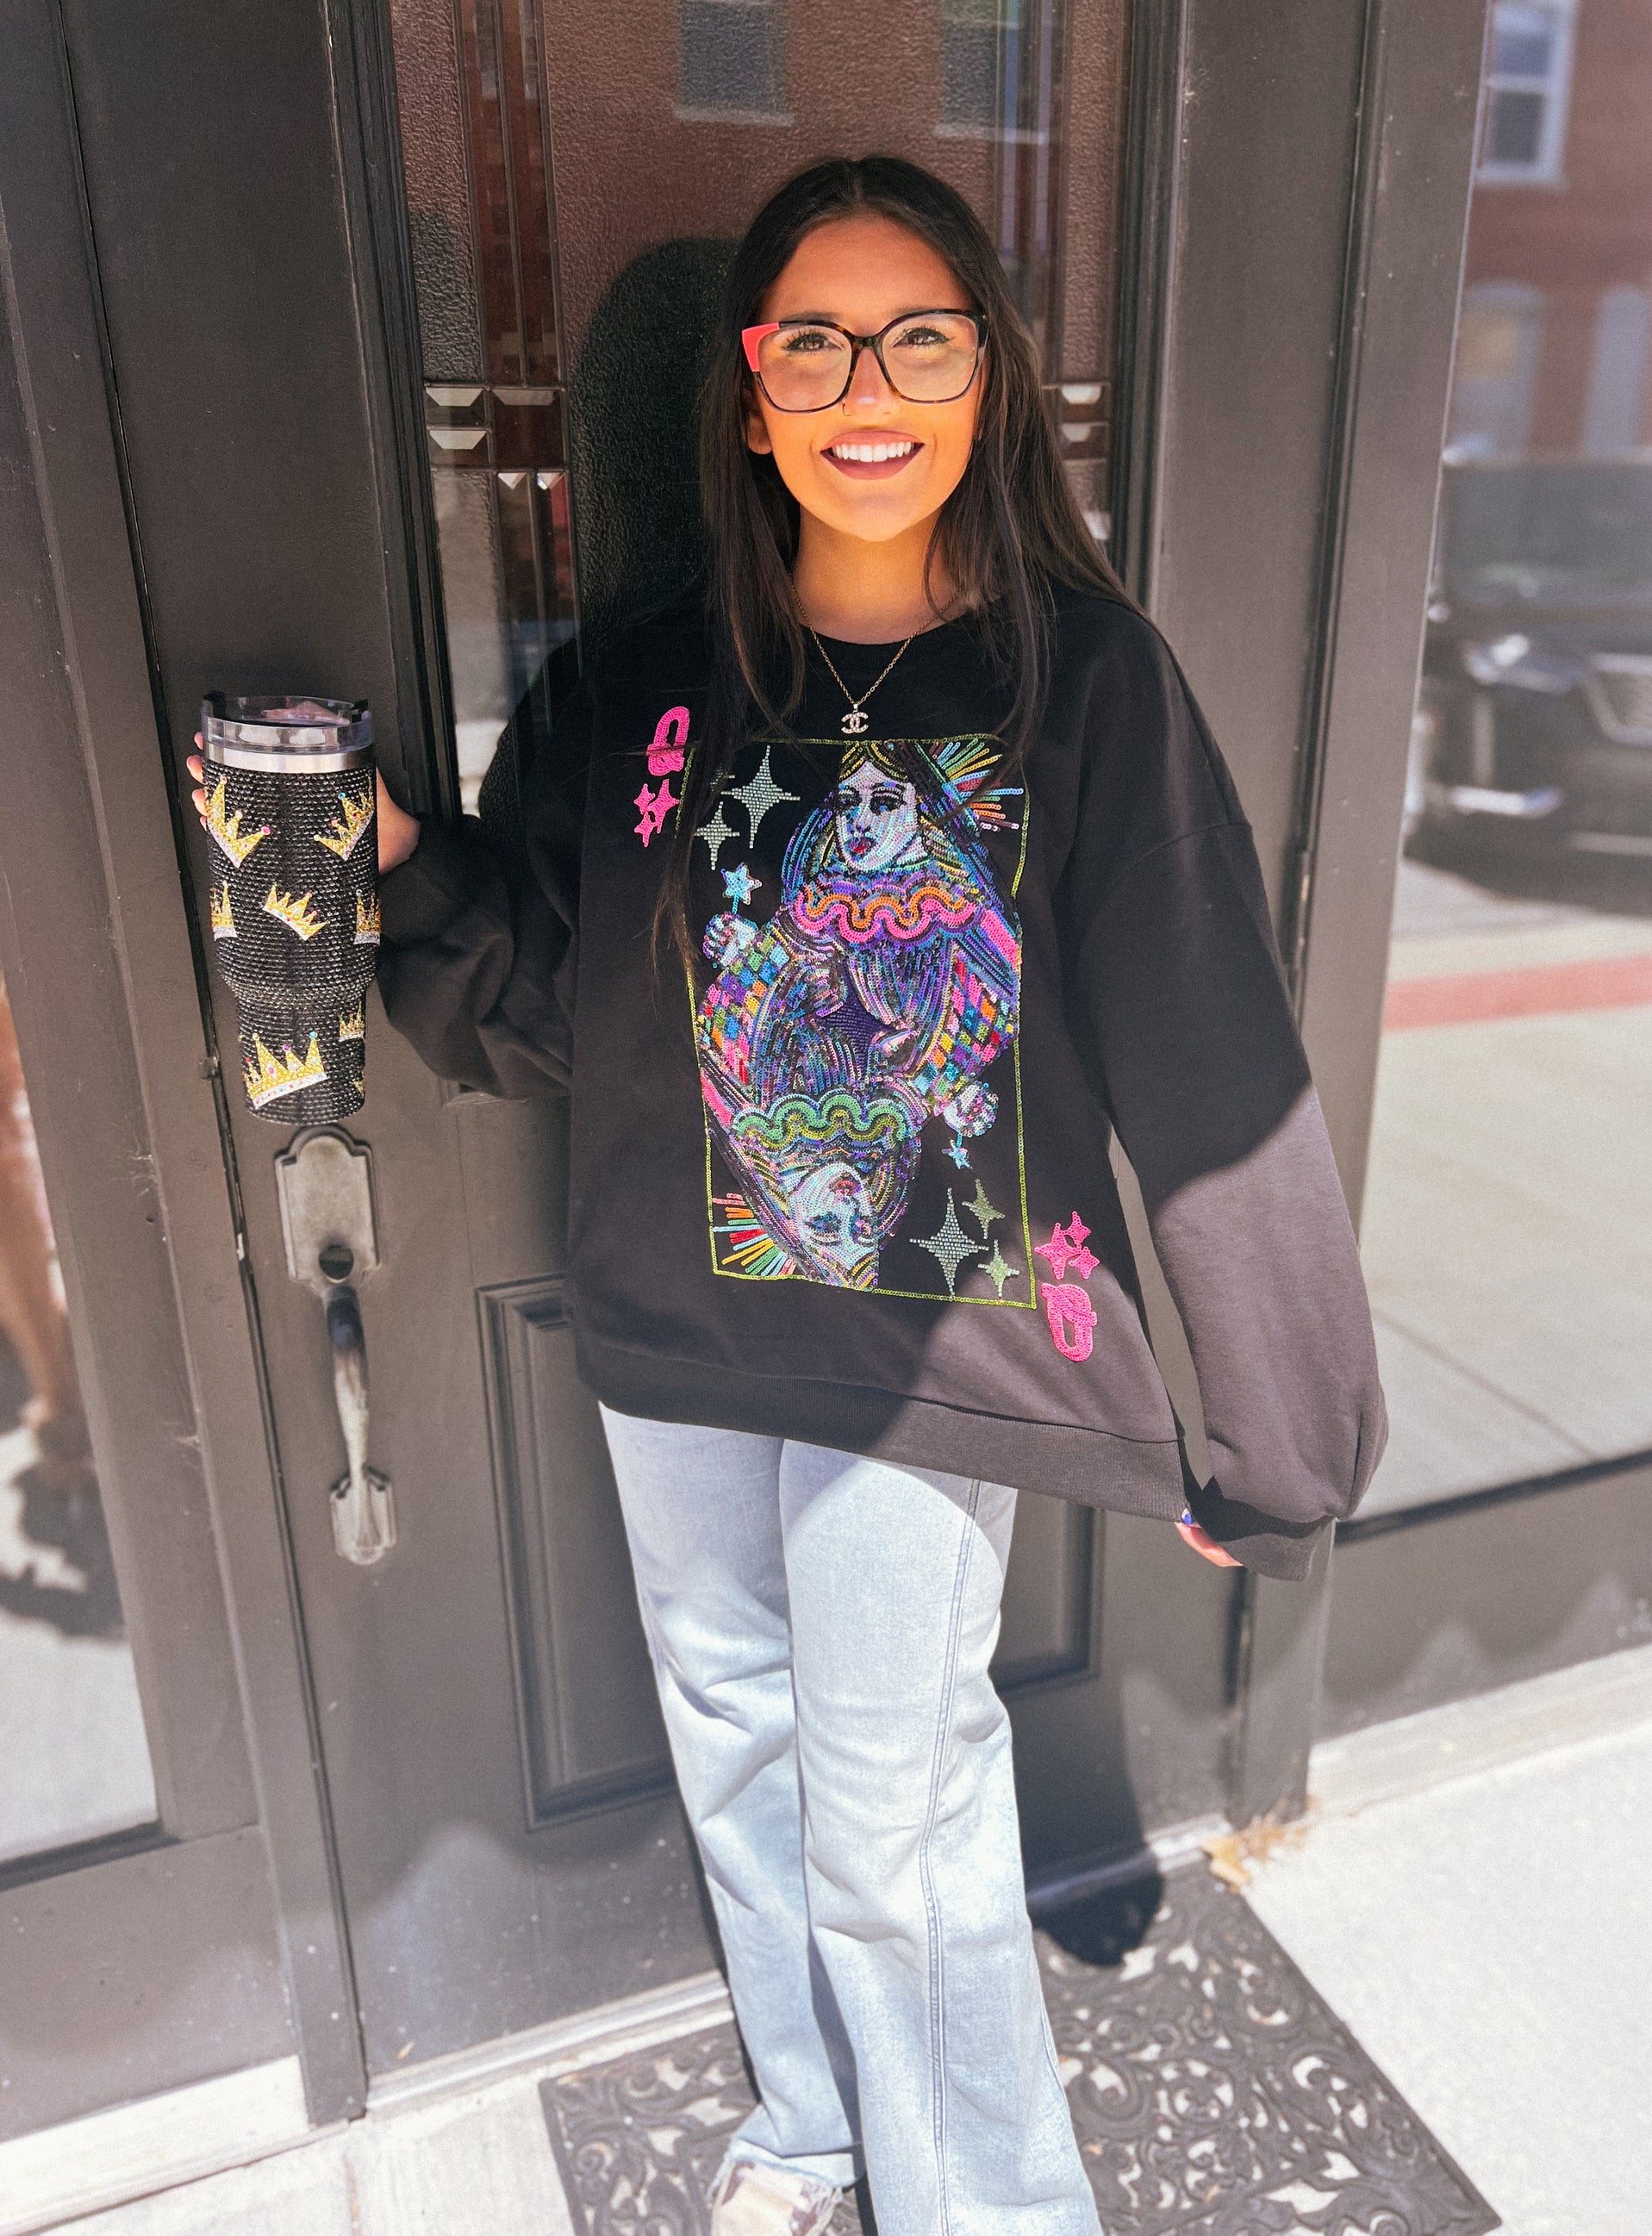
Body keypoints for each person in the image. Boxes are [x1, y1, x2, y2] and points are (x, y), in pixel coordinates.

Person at [194, 154, 1386, 2236]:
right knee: (739, 1735)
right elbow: (555, 1008)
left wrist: (1280, 1426)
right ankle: (821, 2118)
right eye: (812, 339)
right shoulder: (641, 684)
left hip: (918, 1351)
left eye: (920, 335)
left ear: (989, 384)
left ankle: (991, 2211)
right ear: (749, 394)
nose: (867, 382)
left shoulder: (1081, 685)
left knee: (896, 1811)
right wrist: (391, 851)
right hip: (668, 1309)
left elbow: (1213, 1058)